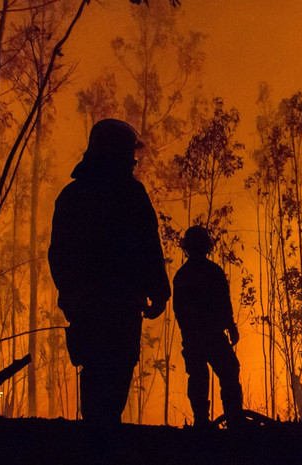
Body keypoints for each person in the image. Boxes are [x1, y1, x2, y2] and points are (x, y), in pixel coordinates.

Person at [48, 119, 170, 424]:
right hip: (121, 304)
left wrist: (70, 295)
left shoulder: (72, 196)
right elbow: (148, 245)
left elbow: (59, 255)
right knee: (116, 368)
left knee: (95, 368)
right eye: (129, 152)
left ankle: (96, 439)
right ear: (115, 152)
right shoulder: (131, 195)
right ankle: (104, 440)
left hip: (90, 304)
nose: (133, 159)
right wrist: (158, 290)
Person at [173, 225, 243, 428]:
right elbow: (224, 303)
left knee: (199, 376)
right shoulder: (213, 272)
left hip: (197, 337)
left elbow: (180, 311)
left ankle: (203, 420)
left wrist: (191, 333)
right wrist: (230, 327)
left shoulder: (183, 275)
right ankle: (233, 419)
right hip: (211, 336)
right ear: (207, 246)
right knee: (227, 372)